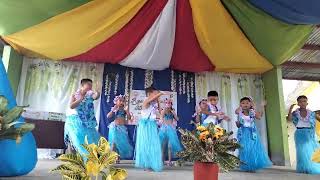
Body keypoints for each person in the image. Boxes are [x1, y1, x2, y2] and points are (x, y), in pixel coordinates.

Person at [64, 78, 101, 156]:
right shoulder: (75, 94)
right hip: (75, 120)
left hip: (87, 121)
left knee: (89, 139)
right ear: (82, 85)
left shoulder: (90, 94)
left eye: (91, 85)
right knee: (76, 140)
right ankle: (74, 158)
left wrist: (97, 91)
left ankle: (88, 157)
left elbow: (96, 97)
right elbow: (71, 106)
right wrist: (80, 99)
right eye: (89, 84)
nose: (90, 86)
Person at [236, 97, 272, 172]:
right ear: (240, 105)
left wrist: (262, 106)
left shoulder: (252, 112)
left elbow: (259, 116)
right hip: (243, 133)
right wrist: (238, 123)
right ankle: (246, 166)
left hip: (252, 133)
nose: (245, 104)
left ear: (250, 104)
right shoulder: (240, 113)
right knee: (245, 149)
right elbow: (238, 124)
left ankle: (252, 166)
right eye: (243, 103)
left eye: (247, 103)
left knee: (252, 149)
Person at [287, 95, 320, 174]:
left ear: (307, 103)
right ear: (298, 103)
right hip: (300, 134)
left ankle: (311, 167)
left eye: (304, 101)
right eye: (300, 101)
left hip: (310, 134)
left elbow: (318, 118)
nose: (302, 103)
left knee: (311, 152)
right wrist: (290, 109)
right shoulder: (295, 113)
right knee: (302, 152)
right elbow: (289, 119)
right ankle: (304, 168)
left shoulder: (311, 113)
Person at [135, 86, 164, 172]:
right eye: (154, 93)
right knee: (146, 145)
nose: (156, 95)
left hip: (152, 125)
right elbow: (153, 99)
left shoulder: (153, 104)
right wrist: (160, 94)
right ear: (149, 94)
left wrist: (158, 100)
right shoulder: (146, 101)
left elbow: (159, 111)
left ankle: (151, 164)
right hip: (146, 126)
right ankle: (146, 165)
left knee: (153, 145)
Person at [107, 95, 133, 162]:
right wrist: (113, 110)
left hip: (122, 128)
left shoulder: (125, 109)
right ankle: (110, 158)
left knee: (120, 144)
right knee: (113, 143)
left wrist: (127, 111)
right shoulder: (115, 108)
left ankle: (117, 157)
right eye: (120, 101)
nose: (121, 102)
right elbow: (108, 116)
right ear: (116, 101)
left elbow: (129, 118)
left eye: (123, 101)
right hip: (115, 127)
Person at [159, 98, 182, 166]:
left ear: (171, 104)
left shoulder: (172, 111)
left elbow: (177, 119)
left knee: (170, 146)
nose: (168, 104)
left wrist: (174, 113)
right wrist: (163, 124)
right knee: (163, 146)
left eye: (169, 103)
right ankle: (162, 161)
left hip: (171, 130)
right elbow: (161, 118)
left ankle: (169, 161)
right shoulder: (163, 111)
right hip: (164, 129)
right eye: (166, 103)